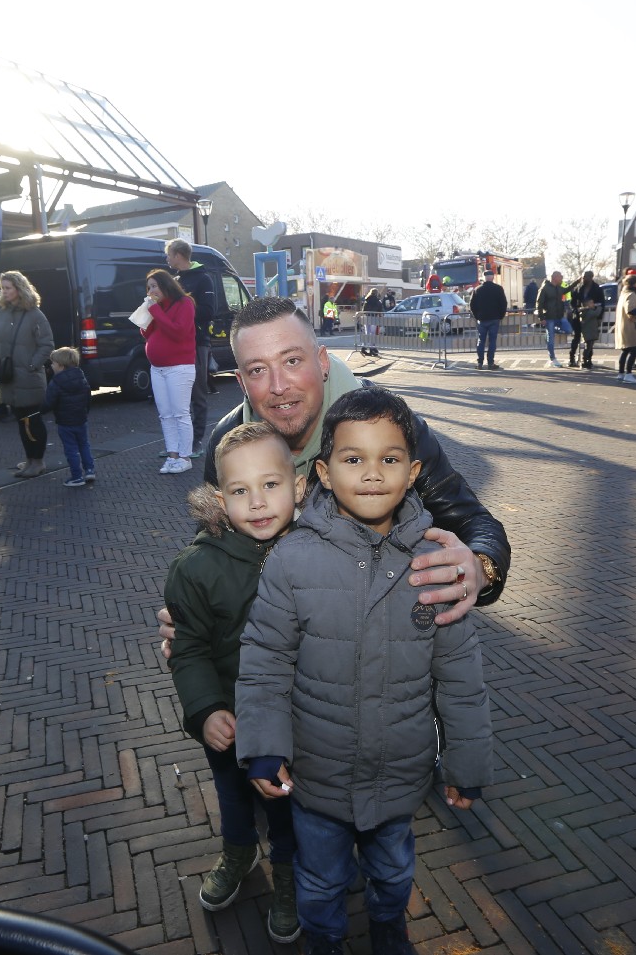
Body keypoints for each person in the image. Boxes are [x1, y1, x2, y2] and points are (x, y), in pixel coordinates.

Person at [237, 387, 491, 955]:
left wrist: (466, 763)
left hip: (399, 777)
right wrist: (263, 746)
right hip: (317, 778)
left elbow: (461, 679)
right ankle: (325, 940)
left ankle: (388, 927)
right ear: (325, 473)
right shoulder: (292, 560)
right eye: (354, 458)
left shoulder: (436, 563)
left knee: (394, 872)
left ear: (413, 471)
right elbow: (265, 662)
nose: (372, 473)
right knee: (320, 880)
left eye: (389, 458)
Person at [156, 297, 507, 649]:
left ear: (322, 362)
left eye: (292, 361)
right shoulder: (228, 443)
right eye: (258, 370)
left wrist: (480, 568)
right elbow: (214, 543)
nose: (278, 386)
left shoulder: (390, 429)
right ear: (242, 381)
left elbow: (471, 519)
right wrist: (194, 614)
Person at [167, 422, 304, 943]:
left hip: (294, 720)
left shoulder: (319, 552)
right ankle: (239, 850)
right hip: (229, 715)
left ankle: (288, 873)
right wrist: (206, 710)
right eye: (241, 491)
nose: (258, 502)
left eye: (270, 484)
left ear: (298, 486)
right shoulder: (197, 567)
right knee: (231, 793)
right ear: (221, 500)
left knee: (287, 804)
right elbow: (190, 648)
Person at [0, 270, 54, 477]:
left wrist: (31, 365)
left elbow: (47, 344)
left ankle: (38, 461)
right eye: (2, 288)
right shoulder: (1, 313)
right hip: (9, 378)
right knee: (21, 421)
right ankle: (29, 460)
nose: (4, 292)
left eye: (8, 288)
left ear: (19, 288)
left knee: (32, 420)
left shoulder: (35, 314)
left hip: (29, 377)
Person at [141, 268, 197, 475]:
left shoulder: (185, 303)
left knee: (180, 413)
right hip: (158, 369)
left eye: (154, 286)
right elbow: (146, 334)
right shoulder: (157, 307)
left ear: (166, 285)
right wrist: (147, 314)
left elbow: (178, 332)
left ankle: (185, 457)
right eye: (149, 287)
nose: (151, 291)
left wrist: (155, 311)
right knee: (165, 415)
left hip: (179, 368)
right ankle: (172, 456)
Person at [167, 239, 216, 455]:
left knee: (197, 393)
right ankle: (180, 442)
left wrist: (182, 314)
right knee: (177, 396)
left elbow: (209, 311)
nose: (167, 259)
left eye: (169, 255)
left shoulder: (203, 278)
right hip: (175, 343)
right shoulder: (174, 280)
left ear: (178, 255)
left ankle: (196, 442)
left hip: (197, 343)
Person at [43, 347, 95, 487]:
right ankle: (89, 470)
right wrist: (85, 412)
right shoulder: (81, 376)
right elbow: (88, 397)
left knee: (71, 449)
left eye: (53, 363)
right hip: (81, 419)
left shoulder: (56, 382)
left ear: (60, 365)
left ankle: (77, 476)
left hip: (65, 422)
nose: (51, 366)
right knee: (84, 445)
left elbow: (49, 402)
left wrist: (39, 410)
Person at [469, 268, 507, 370]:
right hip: (494, 318)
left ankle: (480, 363)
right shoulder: (498, 289)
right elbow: (503, 304)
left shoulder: (477, 290)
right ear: (493, 277)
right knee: (492, 341)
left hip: (482, 319)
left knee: (481, 340)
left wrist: (477, 316)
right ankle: (490, 362)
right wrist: (501, 315)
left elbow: (472, 305)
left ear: (484, 278)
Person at [568, 271, 604, 368]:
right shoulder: (578, 288)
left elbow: (602, 303)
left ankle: (588, 359)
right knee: (576, 337)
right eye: (583, 277)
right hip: (578, 316)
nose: (583, 279)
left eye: (585, 277)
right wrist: (575, 309)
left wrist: (599, 317)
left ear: (591, 277)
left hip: (590, 317)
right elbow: (572, 302)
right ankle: (572, 358)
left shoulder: (597, 289)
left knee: (590, 339)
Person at [614, 273, 636, 383]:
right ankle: (628, 373)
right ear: (635, 283)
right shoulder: (631, 294)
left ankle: (621, 373)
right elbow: (630, 310)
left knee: (625, 350)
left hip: (624, 326)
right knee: (634, 349)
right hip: (631, 326)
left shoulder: (623, 293)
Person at [536, 271, 572, 367]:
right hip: (549, 317)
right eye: (560, 276)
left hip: (559, 316)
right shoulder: (545, 288)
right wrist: (541, 318)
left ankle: (550, 331)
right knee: (551, 340)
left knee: (569, 330)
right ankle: (552, 358)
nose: (562, 278)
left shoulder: (559, 288)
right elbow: (539, 304)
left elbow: (567, 289)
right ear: (555, 277)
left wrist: (577, 281)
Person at [360, 288, 383, 356]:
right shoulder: (378, 301)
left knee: (367, 333)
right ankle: (372, 348)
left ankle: (364, 347)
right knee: (372, 334)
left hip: (367, 318)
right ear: (376, 293)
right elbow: (380, 311)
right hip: (374, 318)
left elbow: (364, 310)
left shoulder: (367, 300)